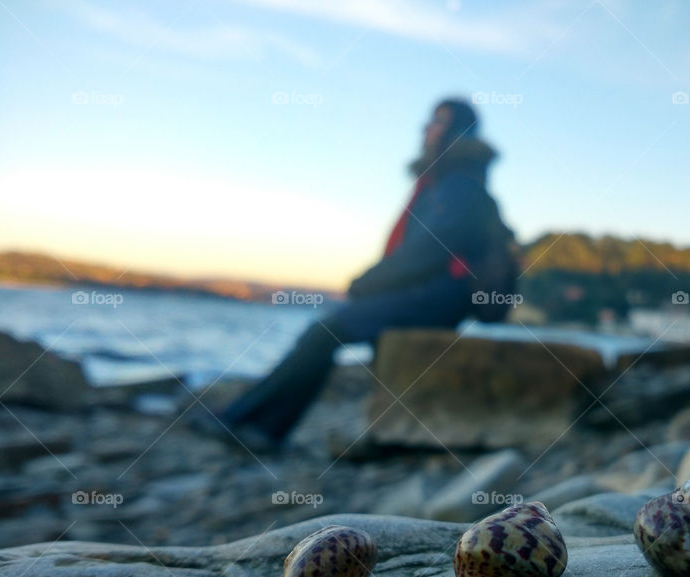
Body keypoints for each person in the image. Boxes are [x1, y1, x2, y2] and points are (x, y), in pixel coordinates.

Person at [191, 98, 516, 453]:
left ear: (456, 133)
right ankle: (266, 423)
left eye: (437, 122)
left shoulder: (457, 185)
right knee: (333, 333)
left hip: (438, 296)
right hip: (432, 294)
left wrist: (366, 283)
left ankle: (254, 425)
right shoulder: (452, 180)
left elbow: (429, 251)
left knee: (324, 331)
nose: (426, 128)